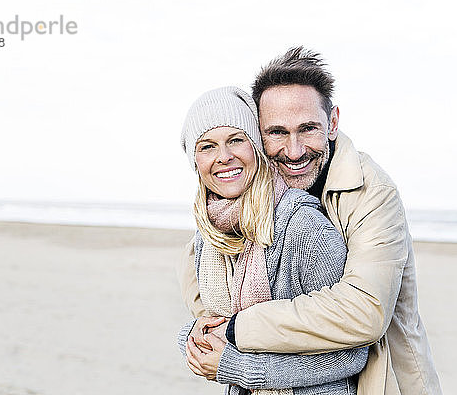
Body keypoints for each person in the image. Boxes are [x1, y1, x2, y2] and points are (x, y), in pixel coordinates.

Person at [177, 48, 443, 395]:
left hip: (383, 382)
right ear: (259, 135)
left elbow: (364, 312)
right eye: (276, 132)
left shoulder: (372, 192)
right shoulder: (246, 205)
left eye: (308, 128)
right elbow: (208, 301)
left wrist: (234, 332)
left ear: (332, 122)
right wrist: (199, 333)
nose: (294, 150)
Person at [177, 86, 368, 395]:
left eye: (236, 140)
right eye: (207, 146)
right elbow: (217, 325)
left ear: (257, 147)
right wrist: (191, 336)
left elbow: (350, 354)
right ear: (194, 160)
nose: (224, 157)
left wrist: (235, 366)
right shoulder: (208, 237)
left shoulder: (304, 229)